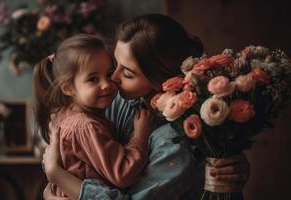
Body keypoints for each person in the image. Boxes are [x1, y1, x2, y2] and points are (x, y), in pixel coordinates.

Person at [41, 14, 250, 200]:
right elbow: (75, 153)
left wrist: (56, 175)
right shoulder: (116, 99)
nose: (113, 79)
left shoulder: (178, 140)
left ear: (160, 79)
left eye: (127, 73)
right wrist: (52, 186)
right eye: (115, 66)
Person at [34, 34, 156, 199]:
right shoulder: (85, 126)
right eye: (93, 79)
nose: (107, 84)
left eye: (109, 74)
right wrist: (140, 136)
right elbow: (122, 174)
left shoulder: (66, 115)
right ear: (68, 88)